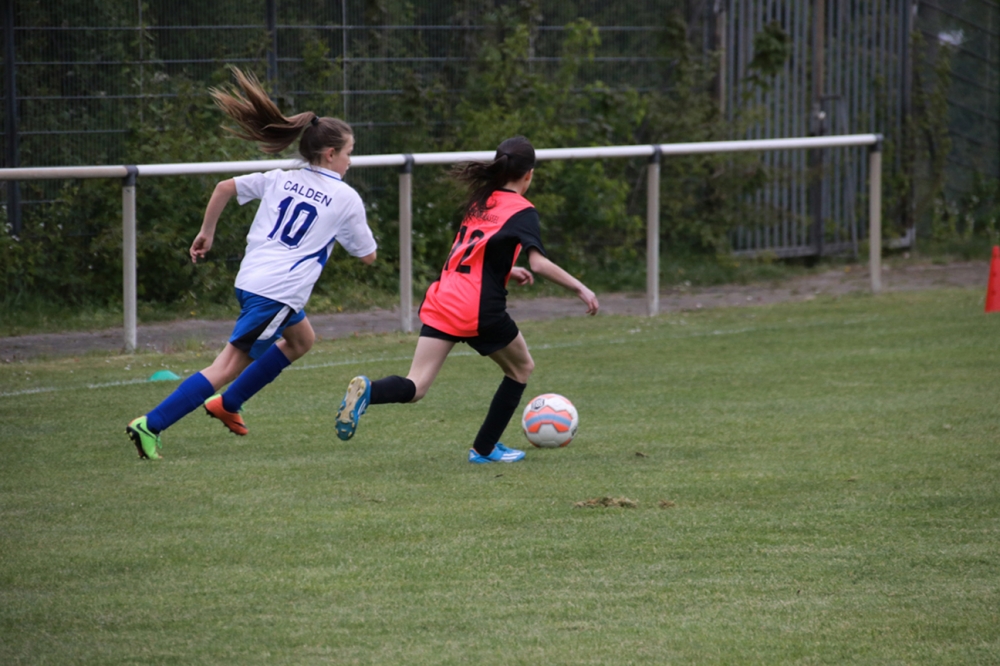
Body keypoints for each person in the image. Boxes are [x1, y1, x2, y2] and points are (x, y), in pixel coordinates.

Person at [125, 68, 377, 460]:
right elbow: (367, 256)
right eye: (349, 152)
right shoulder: (345, 198)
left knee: (301, 340)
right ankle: (151, 424)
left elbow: (224, 187)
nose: (350, 160)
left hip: (251, 280)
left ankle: (228, 404)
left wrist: (206, 232)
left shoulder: (281, 177)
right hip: (277, 291)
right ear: (331, 154)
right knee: (225, 366)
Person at [333, 136, 598, 464]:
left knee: (416, 386)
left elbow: (473, 251)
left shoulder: (481, 201)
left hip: (444, 297)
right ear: (529, 174)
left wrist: (506, 269)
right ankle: (484, 449)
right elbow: (540, 264)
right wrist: (581, 289)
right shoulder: (523, 210)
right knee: (521, 368)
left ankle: (369, 390)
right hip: (477, 308)